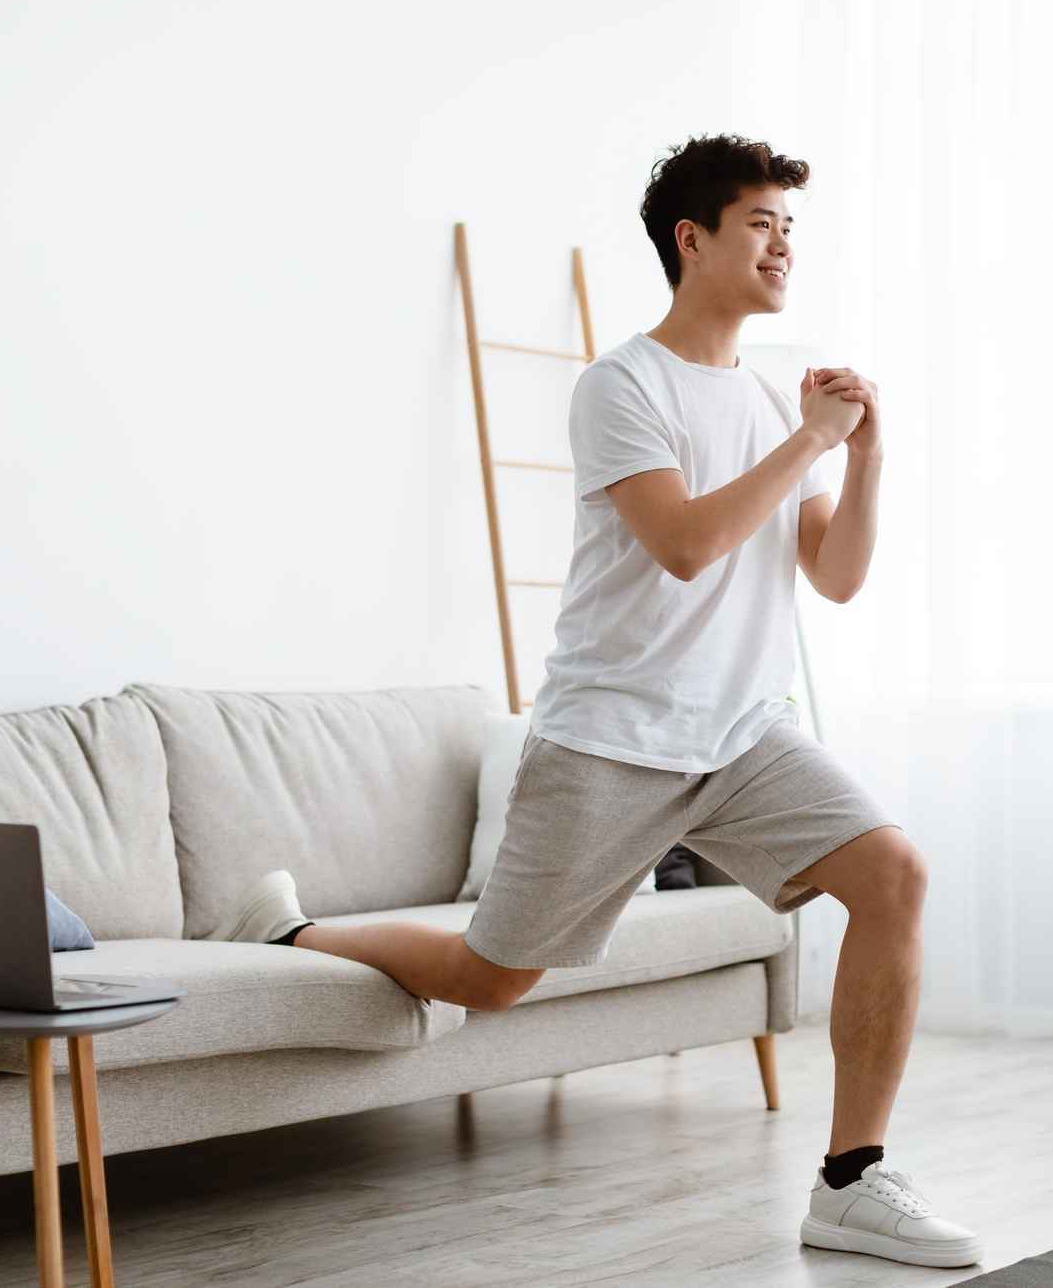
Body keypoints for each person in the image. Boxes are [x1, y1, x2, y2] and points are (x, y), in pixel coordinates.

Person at [207, 134, 980, 1270]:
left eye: (789, 228)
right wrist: (808, 439)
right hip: (610, 740)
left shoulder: (771, 398)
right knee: (491, 979)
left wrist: (861, 457)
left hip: (741, 734)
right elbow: (684, 545)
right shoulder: (618, 386)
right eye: (761, 223)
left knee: (894, 874)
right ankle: (295, 928)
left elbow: (836, 576)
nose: (782, 245)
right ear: (692, 240)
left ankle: (850, 1181)